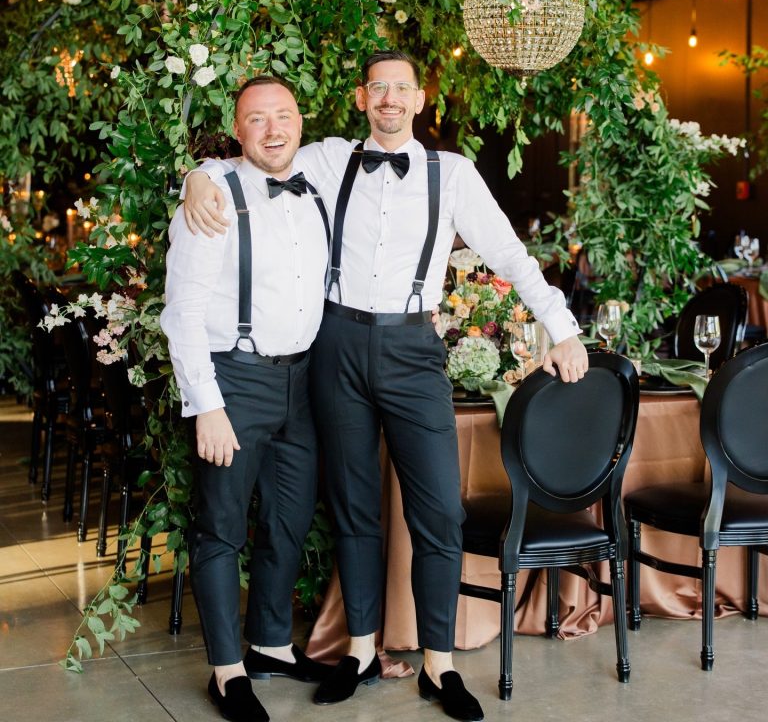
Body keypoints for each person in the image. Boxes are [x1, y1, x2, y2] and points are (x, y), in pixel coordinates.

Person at [183, 51, 588, 722]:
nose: (391, 98)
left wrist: (563, 328)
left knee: (439, 512)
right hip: (336, 343)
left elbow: (510, 253)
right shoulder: (328, 157)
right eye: (379, 88)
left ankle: (439, 665)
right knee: (354, 508)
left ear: (421, 99)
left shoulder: (451, 174)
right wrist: (199, 174)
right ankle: (362, 651)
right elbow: (257, 158)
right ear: (362, 97)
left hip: (411, 348)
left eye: (402, 88)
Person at [161, 76, 333, 722]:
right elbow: (183, 313)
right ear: (238, 130)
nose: (273, 129)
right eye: (256, 120)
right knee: (222, 528)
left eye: (283, 115)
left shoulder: (318, 176)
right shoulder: (211, 198)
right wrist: (206, 403)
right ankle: (227, 671)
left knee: (288, 522)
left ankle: (268, 643)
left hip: (302, 383)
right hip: (234, 380)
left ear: (300, 121)